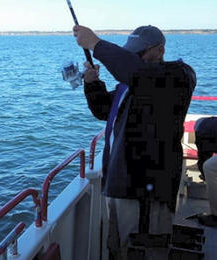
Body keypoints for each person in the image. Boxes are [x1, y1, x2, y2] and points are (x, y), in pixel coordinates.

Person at [73, 25, 196, 259]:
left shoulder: (178, 76)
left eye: (139, 54)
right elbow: (103, 109)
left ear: (160, 50)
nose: (134, 59)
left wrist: (96, 45)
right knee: (118, 249)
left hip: (146, 188)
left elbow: (137, 73)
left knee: (145, 251)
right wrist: (92, 83)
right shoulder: (132, 84)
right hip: (119, 181)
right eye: (130, 54)